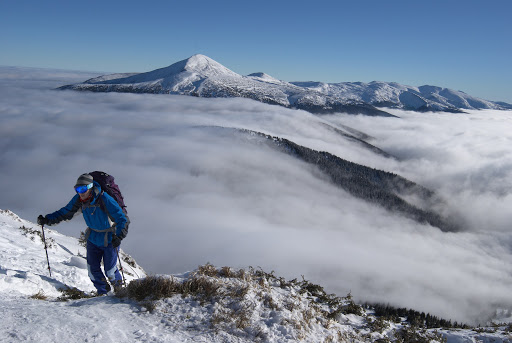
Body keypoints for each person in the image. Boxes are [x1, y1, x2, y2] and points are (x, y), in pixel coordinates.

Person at [38, 173, 129, 295]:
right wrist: (47, 219)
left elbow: (122, 218)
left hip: (110, 238)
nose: (80, 192)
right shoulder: (79, 200)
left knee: (110, 271)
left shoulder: (104, 199)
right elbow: (65, 212)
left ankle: (120, 292)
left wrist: (119, 236)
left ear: (90, 187)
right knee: (92, 270)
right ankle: (103, 293)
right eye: (77, 189)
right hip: (93, 238)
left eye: (83, 189)